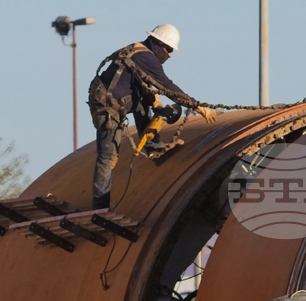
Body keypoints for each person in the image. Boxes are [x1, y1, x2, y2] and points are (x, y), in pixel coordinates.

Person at [88, 24, 216, 209]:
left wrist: (154, 101)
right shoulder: (146, 56)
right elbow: (166, 85)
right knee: (108, 158)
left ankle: (153, 147)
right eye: (169, 49)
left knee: (145, 102)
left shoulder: (139, 50)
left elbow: (139, 83)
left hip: (117, 101)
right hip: (108, 108)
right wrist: (196, 106)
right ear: (159, 44)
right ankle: (100, 207)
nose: (170, 55)